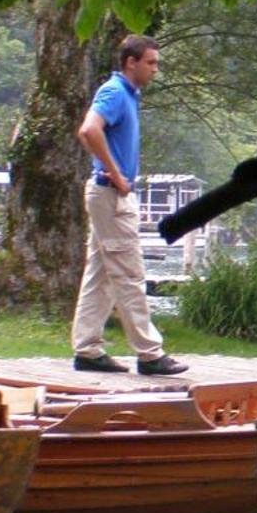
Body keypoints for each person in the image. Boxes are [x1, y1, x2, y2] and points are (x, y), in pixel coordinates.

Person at [71, 35, 186, 376]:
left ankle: (88, 350)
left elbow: (91, 133)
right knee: (129, 274)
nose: (155, 69)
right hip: (111, 195)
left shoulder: (128, 96)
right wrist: (115, 173)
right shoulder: (115, 92)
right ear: (130, 62)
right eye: (151, 62)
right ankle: (150, 355)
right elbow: (89, 130)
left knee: (101, 274)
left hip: (110, 195)